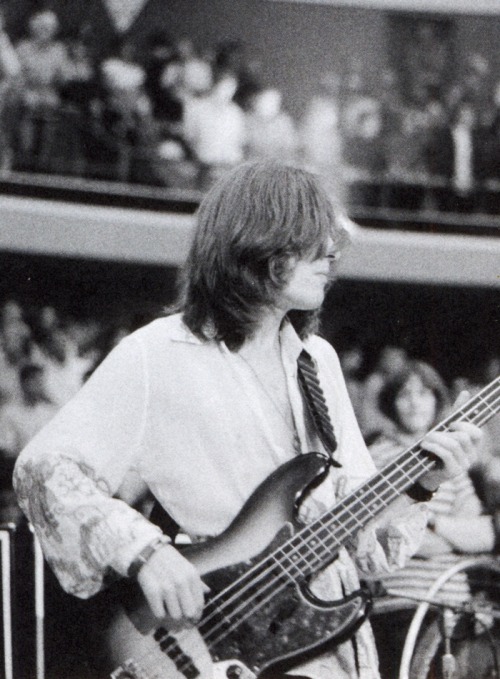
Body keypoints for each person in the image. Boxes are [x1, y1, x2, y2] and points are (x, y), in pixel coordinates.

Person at [13, 161, 481, 679]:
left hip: (330, 648)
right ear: (258, 243)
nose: (331, 254)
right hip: (210, 645)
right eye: (310, 239)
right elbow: (43, 470)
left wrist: (420, 487)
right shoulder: (159, 352)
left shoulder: (316, 360)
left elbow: (362, 546)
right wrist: (145, 554)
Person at [367, 360, 495, 679]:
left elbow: (484, 535)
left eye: (423, 394)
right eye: (404, 395)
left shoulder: (451, 458)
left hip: (457, 612)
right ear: (391, 403)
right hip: (402, 609)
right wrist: (452, 536)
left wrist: (431, 522)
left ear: (437, 400)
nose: (414, 403)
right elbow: (385, 539)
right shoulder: (376, 458)